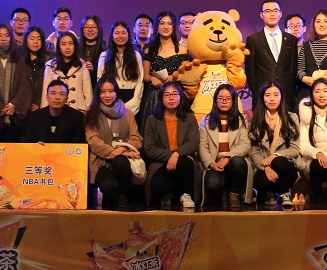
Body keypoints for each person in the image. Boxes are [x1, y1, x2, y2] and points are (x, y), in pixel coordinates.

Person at [85, 76, 143, 209]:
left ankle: (122, 195)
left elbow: (137, 139)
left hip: (124, 163)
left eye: (111, 91)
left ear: (116, 92)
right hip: (101, 163)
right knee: (109, 185)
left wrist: (122, 149)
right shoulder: (92, 114)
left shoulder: (128, 114)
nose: (107, 95)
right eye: (103, 92)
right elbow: (93, 141)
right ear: (98, 94)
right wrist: (114, 152)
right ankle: (110, 197)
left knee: (120, 161)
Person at [144, 81, 200, 208]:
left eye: (175, 94)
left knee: (185, 163)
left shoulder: (189, 117)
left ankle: (185, 195)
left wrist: (177, 154)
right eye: (167, 95)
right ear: (161, 98)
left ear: (180, 96)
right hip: (161, 162)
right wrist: (171, 155)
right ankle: (168, 195)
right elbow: (149, 149)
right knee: (160, 186)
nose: (171, 98)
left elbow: (194, 143)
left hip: (184, 161)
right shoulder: (152, 120)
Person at [248, 80, 300, 209]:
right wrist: (265, 167)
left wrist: (274, 156)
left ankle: (284, 193)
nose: (272, 99)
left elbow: (295, 149)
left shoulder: (291, 118)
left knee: (279, 162)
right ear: (262, 98)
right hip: (263, 165)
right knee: (261, 180)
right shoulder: (256, 120)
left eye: (276, 95)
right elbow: (255, 151)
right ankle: (269, 194)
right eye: (268, 95)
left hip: (286, 166)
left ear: (281, 97)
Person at [199, 84, 251, 207]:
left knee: (238, 162)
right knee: (213, 184)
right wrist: (211, 163)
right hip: (214, 163)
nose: (224, 101)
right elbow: (202, 147)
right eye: (220, 98)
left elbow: (245, 144)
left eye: (228, 99)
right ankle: (222, 193)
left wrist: (227, 158)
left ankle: (234, 194)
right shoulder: (206, 120)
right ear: (215, 100)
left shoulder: (242, 119)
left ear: (233, 101)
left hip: (233, 162)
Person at [140, 11, 191, 133]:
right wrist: (151, 78)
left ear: (174, 27)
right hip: (153, 96)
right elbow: (145, 75)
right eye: (162, 23)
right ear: (157, 27)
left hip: (175, 95)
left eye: (169, 23)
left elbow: (185, 73)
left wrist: (174, 77)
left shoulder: (182, 50)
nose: (166, 26)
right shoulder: (149, 50)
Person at [245, 0, 298, 111]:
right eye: (267, 11)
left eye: (275, 10)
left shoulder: (291, 40)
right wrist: (258, 92)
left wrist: (290, 91)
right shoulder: (253, 40)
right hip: (262, 96)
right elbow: (250, 71)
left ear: (280, 13)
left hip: (286, 96)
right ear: (261, 15)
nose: (272, 14)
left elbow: (293, 69)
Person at [98, 21, 144, 116]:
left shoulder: (136, 56)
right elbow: (100, 81)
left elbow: (140, 82)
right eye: (117, 33)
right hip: (111, 97)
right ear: (112, 36)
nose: (120, 36)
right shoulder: (104, 56)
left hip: (132, 98)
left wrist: (133, 103)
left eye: (123, 33)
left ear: (128, 35)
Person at [21, 80, 85, 144]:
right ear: (47, 97)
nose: (57, 97)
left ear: (66, 99)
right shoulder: (34, 117)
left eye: (62, 94)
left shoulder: (77, 117)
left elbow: (79, 145)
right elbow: (26, 141)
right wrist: (35, 146)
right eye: (53, 93)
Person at [42, 31, 92, 112]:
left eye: (71, 44)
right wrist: (44, 114)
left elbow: (88, 93)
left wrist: (89, 114)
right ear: (59, 47)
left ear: (75, 46)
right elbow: (45, 93)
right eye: (63, 44)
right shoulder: (50, 66)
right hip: (56, 112)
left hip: (78, 111)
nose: (67, 47)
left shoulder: (82, 65)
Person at [22, 26, 49, 112]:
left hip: (42, 107)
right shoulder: (19, 60)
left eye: (39, 39)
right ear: (26, 40)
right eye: (32, 38)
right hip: (22, 107)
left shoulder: (49, 61)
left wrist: (39, 103)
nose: (35, 42)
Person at [79, 15, 106, 81]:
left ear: (99, 29)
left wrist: (93, 70)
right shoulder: (76, 48)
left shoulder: (105, 50)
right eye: (86, 27)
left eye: (94, 27)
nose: (90, 30)